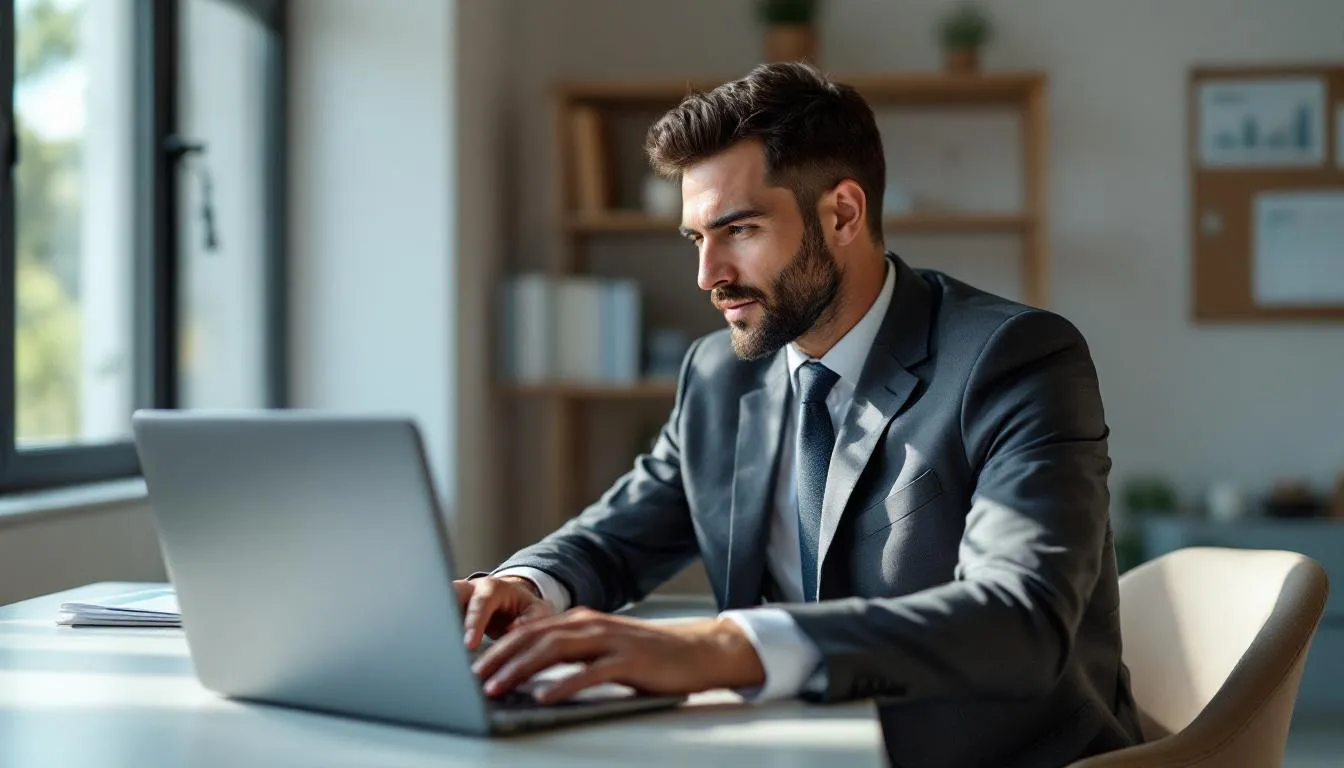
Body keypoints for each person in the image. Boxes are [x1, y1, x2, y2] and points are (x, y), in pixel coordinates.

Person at [457, 62, 1143, 765]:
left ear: (843, 213)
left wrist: (726, 647)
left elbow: (1021, 618)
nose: (708, 275)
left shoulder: (1011, 358)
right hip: (792, 749)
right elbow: (614, 540)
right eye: (698, 239)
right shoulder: (719, 375)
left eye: (740, 229)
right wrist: (520, 588)